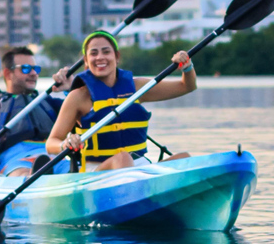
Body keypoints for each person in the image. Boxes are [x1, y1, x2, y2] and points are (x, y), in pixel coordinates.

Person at [45, 30, 195, 173]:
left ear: (116, 57)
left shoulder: (137, 88)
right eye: (93, 53)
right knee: (123, 158)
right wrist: (65, 144)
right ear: (86, 61)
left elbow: (186, 86)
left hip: (139, 167)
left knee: (185, 159)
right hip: (97, 171)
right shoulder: (77, 97)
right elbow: (51, 143)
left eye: (106, 51)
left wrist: (187, 67)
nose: (100, 57)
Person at [0, 46, 72, 176]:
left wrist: (71, 90)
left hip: (56, 159)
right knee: (22, 174)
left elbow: (85, 117)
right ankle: (37, 178)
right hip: (15, 163)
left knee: (76, 169)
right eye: (25, 69)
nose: (33, 73)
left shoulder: (49, 103)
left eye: (35, 69)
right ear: (8, 74)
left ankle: (60, 175)